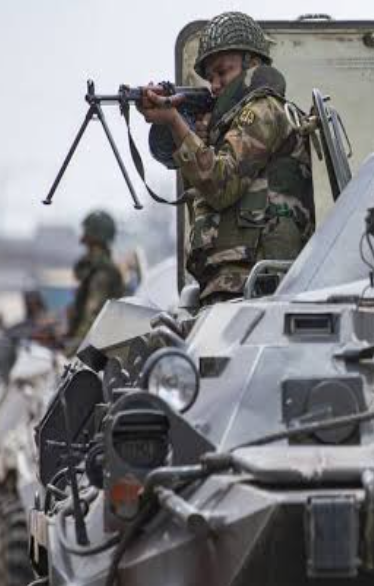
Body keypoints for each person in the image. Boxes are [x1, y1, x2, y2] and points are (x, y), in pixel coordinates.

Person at [138, 11, 314, 305]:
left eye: (222, 72)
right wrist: (189, 130)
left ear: (252, 64)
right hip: (235, 280)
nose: (215, 85)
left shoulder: (263, 109)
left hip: (257, 281)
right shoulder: (229, 122)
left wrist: (174, 121)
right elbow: (175, 161)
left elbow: (221, 184)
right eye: (210, 78)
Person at [66, 211, 125, 350]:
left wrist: (72, 350)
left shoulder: (102, 273)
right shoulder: (97, 268)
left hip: (94, 348)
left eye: (86, 233)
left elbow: (92, 317)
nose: (82, 239)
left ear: (92, 237)